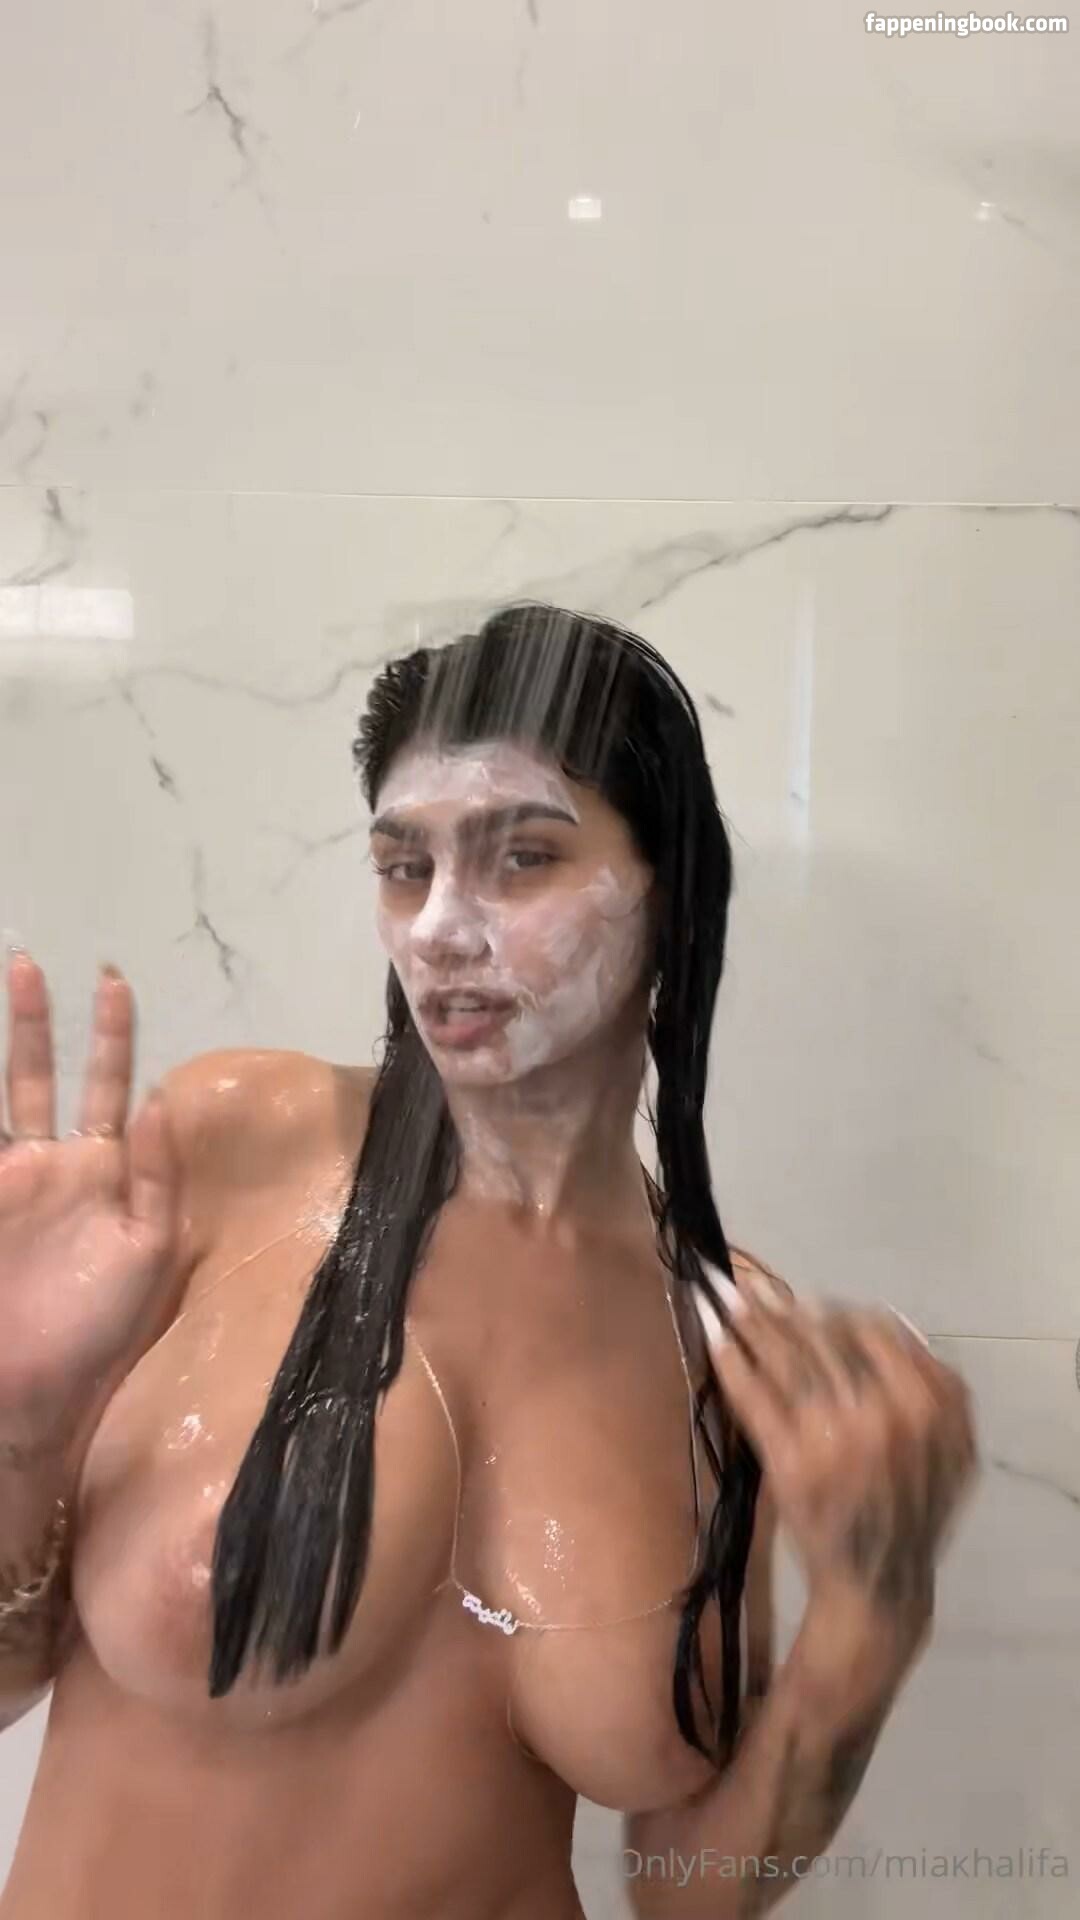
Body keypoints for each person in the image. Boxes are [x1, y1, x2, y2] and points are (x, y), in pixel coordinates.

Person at [0, 604, 976, 1919]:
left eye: (522, 858)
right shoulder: (244, 1145)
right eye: (406, 867)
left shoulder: (727, 1333)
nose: (442, 929)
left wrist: (871, 1616)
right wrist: (20, 1427)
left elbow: (685, 1892)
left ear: (674, 899)